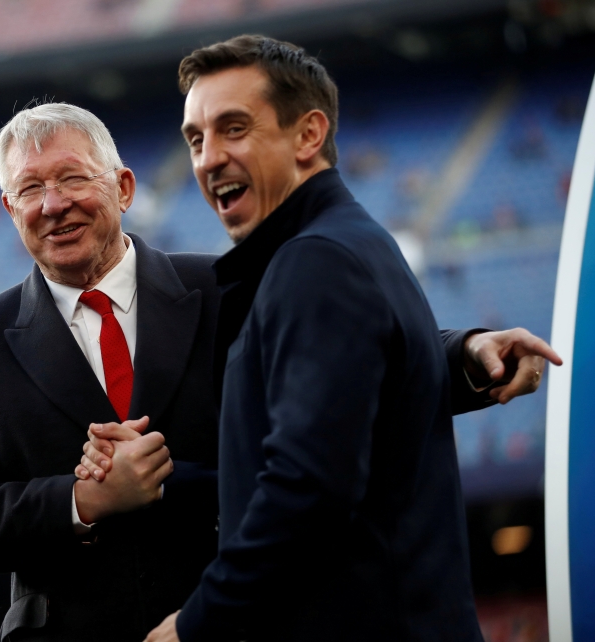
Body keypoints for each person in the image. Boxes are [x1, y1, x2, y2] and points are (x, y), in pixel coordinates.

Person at [0, 104, 548, 642]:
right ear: (11, 210)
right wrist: (84, 498)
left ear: (123, 187)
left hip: (232, 621)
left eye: (72, 178)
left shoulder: (227, 287)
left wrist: (467, 356)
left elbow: (347, 366)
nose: (53, 204)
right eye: (30, 189)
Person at [136, 35, 562, 641]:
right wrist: (464, 353)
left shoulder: (316, 260)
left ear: (308, 135)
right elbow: (361, 390)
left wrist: (196, 626)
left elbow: (307, 488)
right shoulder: (344, 241)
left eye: (233, 128)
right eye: (196, 139)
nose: (207, 159)